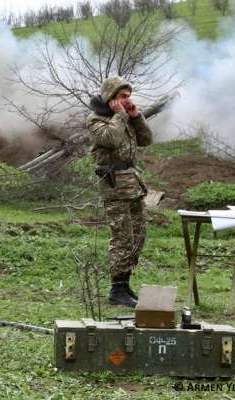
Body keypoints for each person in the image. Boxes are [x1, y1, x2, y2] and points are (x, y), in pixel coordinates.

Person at [86, 76, 153, 307]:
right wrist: (121, 116)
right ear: (110, 98)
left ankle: (125, 285)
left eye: (128, 96)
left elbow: (146, 139)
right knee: (122, 237)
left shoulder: (124, 118)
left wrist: (136, 116)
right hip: (114, 185)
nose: (127, 100)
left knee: (137, 236)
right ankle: (117, 289)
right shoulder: (96, 120)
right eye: (122, 97)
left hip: (133, 184)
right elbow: (111, 140)